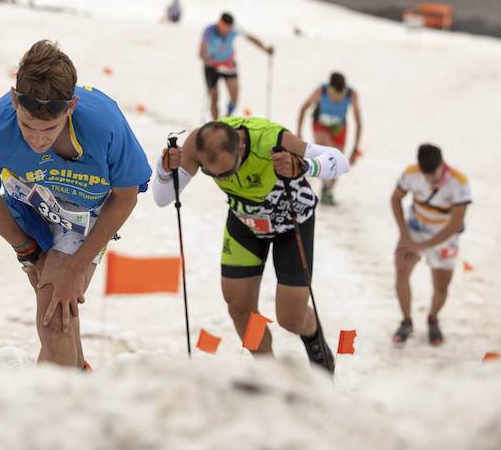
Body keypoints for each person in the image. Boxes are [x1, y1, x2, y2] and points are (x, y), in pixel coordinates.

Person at [0, 40, 151, 369]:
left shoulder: (105, 124)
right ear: (13, 100)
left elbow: (126, 195)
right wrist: (25, 248)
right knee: (53, 306)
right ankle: (77, 391)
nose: (37, 139)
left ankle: (58, 411)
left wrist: (75, 267)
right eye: (27, 126)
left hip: (85, 211)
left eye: (50, 128)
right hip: (31, 199)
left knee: (55, 317)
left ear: (71, 106)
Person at [153, 117, 350, 373]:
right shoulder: (198, 144)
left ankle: (316, 345)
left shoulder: (272, 139)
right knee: (239, 308)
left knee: (290, 318)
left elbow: (340, 161)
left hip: (291, 225)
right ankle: (269, 372)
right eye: (212, 173)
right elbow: (163, 198)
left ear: (242, 149)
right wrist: (163, 167)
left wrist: (303, 165)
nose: (222, 179)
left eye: (227, 171)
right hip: (246, 225)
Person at [390, 144, 471, 346]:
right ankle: (406, 321)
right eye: (425, 176)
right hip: (415, 230)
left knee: (441, 286)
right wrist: (404, 235)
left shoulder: (459, 183)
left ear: (441, 165)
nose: (428, 181)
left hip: (444, 237)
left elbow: (455, 225)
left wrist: (421, 246)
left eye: (433, 176)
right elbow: (395, 199)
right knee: (401, 270)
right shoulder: (411, 173)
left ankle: (433, 318)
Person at [296, 72, 362, 205]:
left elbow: (358, 122)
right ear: (329, 90)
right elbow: (303, 108)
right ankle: (325, 184)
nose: (337, 99)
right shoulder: (321, 91)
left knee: (339, 160)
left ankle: (328, 190)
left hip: (339, 128)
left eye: (340, 96)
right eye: (333, 96)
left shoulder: (351, 95)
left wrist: (355, 149)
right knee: (326, 153)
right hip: (321, 126)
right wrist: (299, 133)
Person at [200, 12, 274, 120]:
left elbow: (251, 38)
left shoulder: (235, 28)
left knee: (234, 98)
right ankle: (215, 123)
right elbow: (200, 53)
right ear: (219, 25)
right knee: (214, 96)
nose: (225, 32)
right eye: (224, 29)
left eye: (228, 30)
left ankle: (225, 121)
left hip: (228, 64)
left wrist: (265, 49)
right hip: (211, 67)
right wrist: (207, 59)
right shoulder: (209, 31)